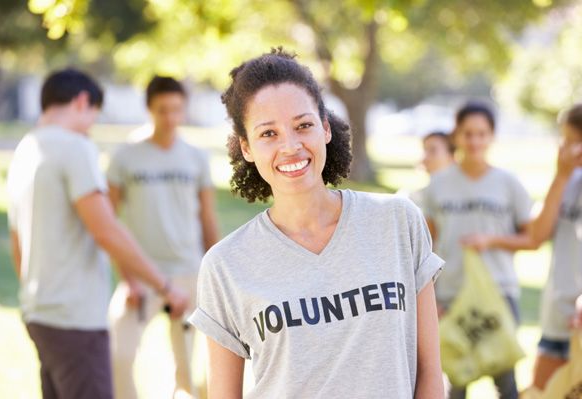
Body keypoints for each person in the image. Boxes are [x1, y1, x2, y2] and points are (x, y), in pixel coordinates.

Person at [187, 48, 445, 398]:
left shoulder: (398, 222)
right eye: (268, 134)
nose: (290, 146)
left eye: (303, 125)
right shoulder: (226, 265)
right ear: (246, 147)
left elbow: (429, 373)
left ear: (325, 128)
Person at [6, 69, 189, 399]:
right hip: (76, 319)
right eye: (93, 114)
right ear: (81, 101)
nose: (92, 124)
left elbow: (16, 241)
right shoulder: (76, 147)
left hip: (39, 314)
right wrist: (165, 286)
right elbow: (106, 230)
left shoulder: (26, 150)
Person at [107, 76, 219, 399]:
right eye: (162, 110)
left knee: (188, 369)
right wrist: (128, 278)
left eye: (176, 110)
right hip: (141, 275)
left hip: (188, 272)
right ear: (149, 109)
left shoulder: (196, 158)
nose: (170, 118)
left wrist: (215, 273)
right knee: (119, 355)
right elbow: (110, 222)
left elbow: (207, 218)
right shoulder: (126, 157)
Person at [422, 102, 533, 399]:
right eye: (468, 133)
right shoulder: (438, 186)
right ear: (456, 136)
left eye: (481, 134)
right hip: (452, 295)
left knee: (506, 380)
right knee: (456, 382)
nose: (474, 141)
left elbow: (532, 238)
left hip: (498, 293)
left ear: (491, 136)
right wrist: (432, 297)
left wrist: (491, 240)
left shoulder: (508, 183)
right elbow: (427, 246)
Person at [524, 105, 582, 390]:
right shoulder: (568, 180)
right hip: (557, 318)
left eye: (572, 141)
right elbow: (536, 236)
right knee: (540, 393)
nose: (567, 149)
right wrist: (560, 176)